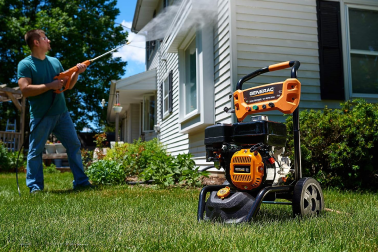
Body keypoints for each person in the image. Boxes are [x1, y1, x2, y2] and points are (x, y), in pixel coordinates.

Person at [17, 29, 94, 193]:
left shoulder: (55, 62)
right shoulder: (26, 64)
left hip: (62, 113)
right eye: (45, 38)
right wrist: (49, 86)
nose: (49, 40)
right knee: (35, 151)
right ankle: (35, 187)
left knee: (73, 145)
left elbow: (68, 85)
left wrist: (77, 73)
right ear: (36, 42)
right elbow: (25, 90)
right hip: (40, 116)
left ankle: (81, 181)